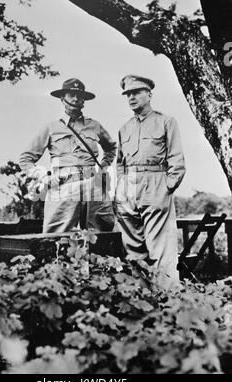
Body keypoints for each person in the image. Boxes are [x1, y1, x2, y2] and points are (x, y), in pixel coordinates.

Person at [19, 78, 117, 233]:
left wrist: (103, 168)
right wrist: (44, 177)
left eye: (79, 95)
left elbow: (111, 148)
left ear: (84, 100)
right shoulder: (52, 127)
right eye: (71, 95)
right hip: (63, 185)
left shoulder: (94, 126)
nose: (76, 99)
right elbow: (25, 159)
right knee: (56, 235)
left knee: (101, 232)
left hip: (93, 184)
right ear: (62, 98)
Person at [115, 74, 186, 284]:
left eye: (136, 92)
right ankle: (142, 300)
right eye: (128, 94)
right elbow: (120, 163)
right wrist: (120, 187)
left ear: (149, 94)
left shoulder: (166, 121)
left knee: (161, 249)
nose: (131, 97)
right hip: (128, 187)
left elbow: (177, 160)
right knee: (133, 250)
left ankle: (168, 303)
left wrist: (166, 187)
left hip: (155, 183)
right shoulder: (124, 127)